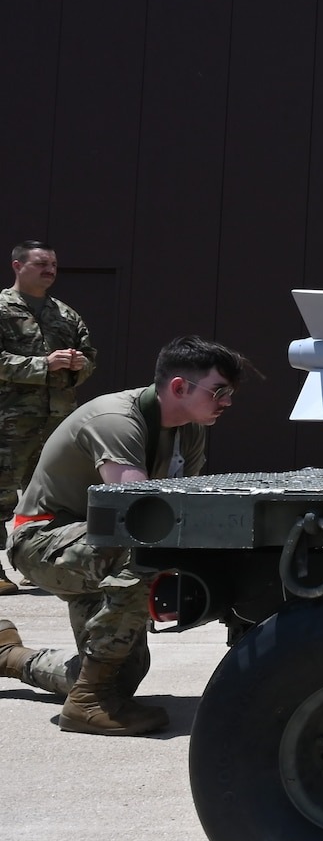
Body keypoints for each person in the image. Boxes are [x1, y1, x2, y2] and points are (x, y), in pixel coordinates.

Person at [0, 335, 250, 735]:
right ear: (179, 387)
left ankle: (9, 657)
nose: (227, 403)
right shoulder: (115, 420)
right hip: (43, 540)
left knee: (121, 673)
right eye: (219, 391)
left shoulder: (190, 429)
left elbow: (191, 507)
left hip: (95, 546)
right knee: (144, 552)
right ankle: (86, 705)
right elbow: (135, 519)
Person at [0, 241, 98, 594]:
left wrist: (78, 365)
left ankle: (37, 563)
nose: (50, 270)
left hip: (57, 422)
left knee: (48, 497)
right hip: (9, 421)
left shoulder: (65, 314)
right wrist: (43, 365)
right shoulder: (2, 308)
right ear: (17, 265)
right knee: (1, 494)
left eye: (54, 265)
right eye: (42, 264)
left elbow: (89, 356)